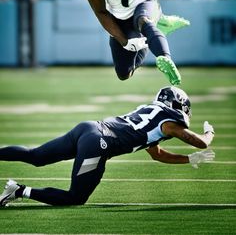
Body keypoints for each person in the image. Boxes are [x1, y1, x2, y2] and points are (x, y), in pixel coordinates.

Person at [0, 86, 215, 207]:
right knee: (75, 198)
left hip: (88, 128)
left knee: (36, 156)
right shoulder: (168, 124)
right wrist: (209, 133)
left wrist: (189, 159)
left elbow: (157, 154)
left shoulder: (153, 114)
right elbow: (201, 142)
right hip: (98, 144)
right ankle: (18, 191)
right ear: (178, 106)